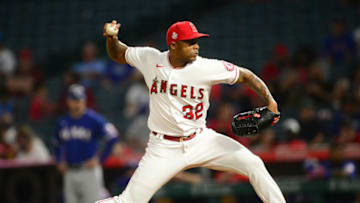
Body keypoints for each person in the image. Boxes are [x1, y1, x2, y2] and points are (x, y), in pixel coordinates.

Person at [99, 20, 286, 203]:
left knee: (253, 164)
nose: (195, 46)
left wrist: (271, 102)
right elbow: (119, 54)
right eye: (189, 42)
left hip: (201, 140)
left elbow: (246, 75)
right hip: (164, 147)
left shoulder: (206, 67)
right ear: (173, 45)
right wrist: (111, 38)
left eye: (196, 41)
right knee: (128, 200)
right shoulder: (151, 58)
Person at [54, 84, 119, 203]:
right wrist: (59, 160)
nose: (77, 103)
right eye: (74, 100)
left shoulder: (94, 119)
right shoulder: (63, 121)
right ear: (68, 101)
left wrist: (100, 159)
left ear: (84, 101)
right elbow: (57, 143)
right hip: (70, 170)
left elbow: (113, 136)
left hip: (88, 171)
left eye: (80, 100)